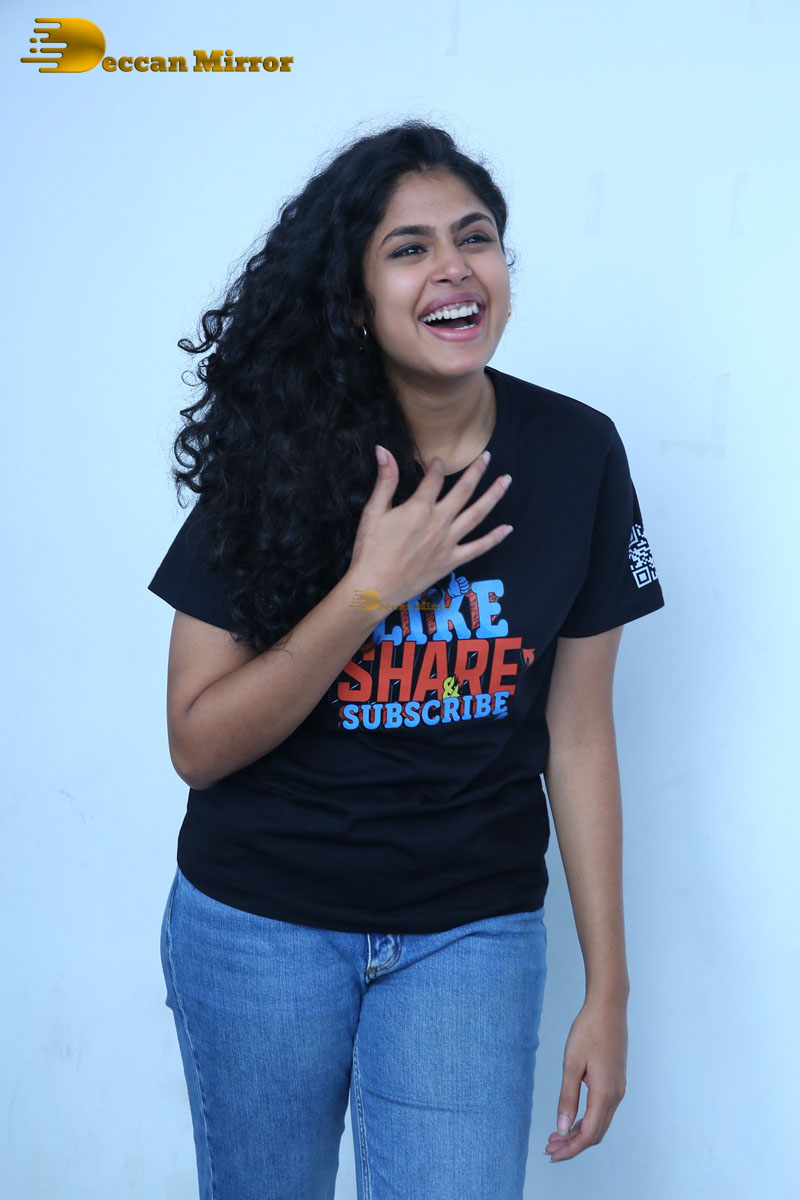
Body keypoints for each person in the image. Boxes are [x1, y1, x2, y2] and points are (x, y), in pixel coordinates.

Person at [148, 119, 665, 1200]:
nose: (453, 267)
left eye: (474, 238)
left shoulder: (575, 453)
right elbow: (197, 743)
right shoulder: (279, 454)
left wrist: (609, 990)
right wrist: (371, 589)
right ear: (356, 301)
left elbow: (577, 734)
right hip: (260, 923)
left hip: (467, 930)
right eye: (408, 248)